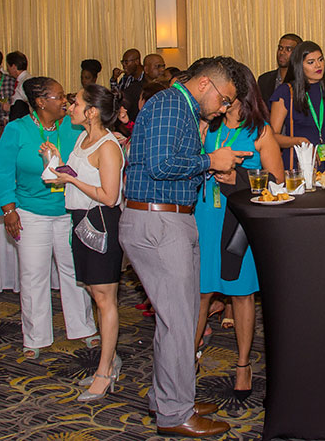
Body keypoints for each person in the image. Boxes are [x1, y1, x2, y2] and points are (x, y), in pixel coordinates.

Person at [121, 57, 251, 437]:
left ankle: (168, 399)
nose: (223, 109)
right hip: (159, 220)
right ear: (206, 84)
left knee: (176, 318)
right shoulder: (171, 104)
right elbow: (160, 165)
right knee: (179, 323)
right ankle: (175, 413)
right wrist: (211, 159)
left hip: (169, 217)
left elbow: (168, 162)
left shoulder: (180, 107)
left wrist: (209, 163)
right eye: (224, 100)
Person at [194, 62, 284, 400]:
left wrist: (239, 178)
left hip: (238, 225)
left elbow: (277, 182)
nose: (221, 98)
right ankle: (188, 357)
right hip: (204, 215)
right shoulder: (208, 125)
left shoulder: (260, 131)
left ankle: (243, 364)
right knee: (200, 292)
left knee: (241, 294)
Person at [0, 77, 98, 360]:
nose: (65, 101)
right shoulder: (17, 130)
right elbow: (3, 172)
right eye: (59, 96)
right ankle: (35, 336)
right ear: (40, 102)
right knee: (33, 275)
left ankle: (84, 327)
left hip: (68, 211)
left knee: (75, 272)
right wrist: (8, 210)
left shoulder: (72, 126)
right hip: (30, 213)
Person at [44, 84, 125, 402]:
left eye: (75, 103)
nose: (70, 107)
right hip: (81, 221)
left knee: (105, 299)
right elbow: (76, 175)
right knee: (93, 291)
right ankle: (110, 359)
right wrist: (56, 162)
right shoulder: (81, 138)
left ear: (92, 112)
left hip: (101, 223)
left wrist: (71, 179)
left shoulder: (108, 147)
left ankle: (105, 372)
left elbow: (109, 196)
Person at [268, 41, 325, 168]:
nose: (318, 65)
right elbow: (273, 136)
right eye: (311, 62)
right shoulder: (286, 92)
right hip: (298, 160)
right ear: (299, 66)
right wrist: (300, 141)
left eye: (320, 59)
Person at [257, 33, 303, 101]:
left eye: (288, 49)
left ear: (298, 53)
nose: (282, 52)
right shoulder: (264, 80)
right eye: (280, 48)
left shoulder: (303, 81)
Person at [7, 51, 32, 119]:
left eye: (8, 66)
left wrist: (10, 108)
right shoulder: (20, 80)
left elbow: (29, 104)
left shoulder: (26, 82)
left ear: (13, 67)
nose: (7, 70)